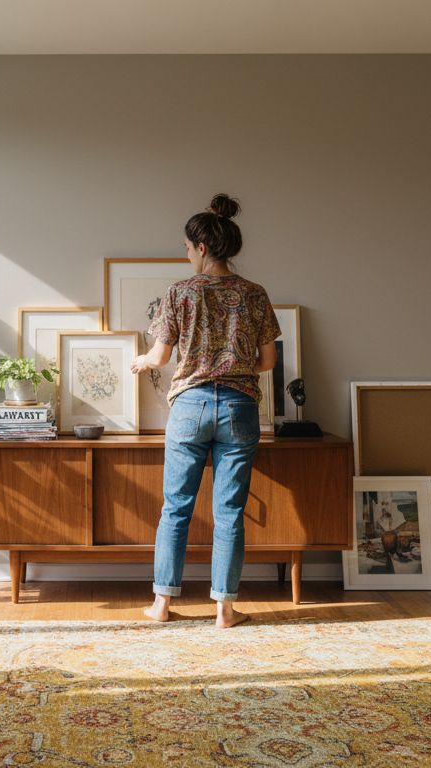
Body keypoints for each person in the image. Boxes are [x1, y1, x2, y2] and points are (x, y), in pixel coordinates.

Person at [133, 193, 279, 628]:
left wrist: (141, 360)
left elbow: (159, 358)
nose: (186, 253)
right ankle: (225, 610)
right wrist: (233, 368)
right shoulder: (255, 294)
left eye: (185, 246)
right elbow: (268, 362)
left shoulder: (179, 293)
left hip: (190, 406)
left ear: (200, 247)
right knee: (229, 511)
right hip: (239, 407)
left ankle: (161, 605)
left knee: (176, 507)